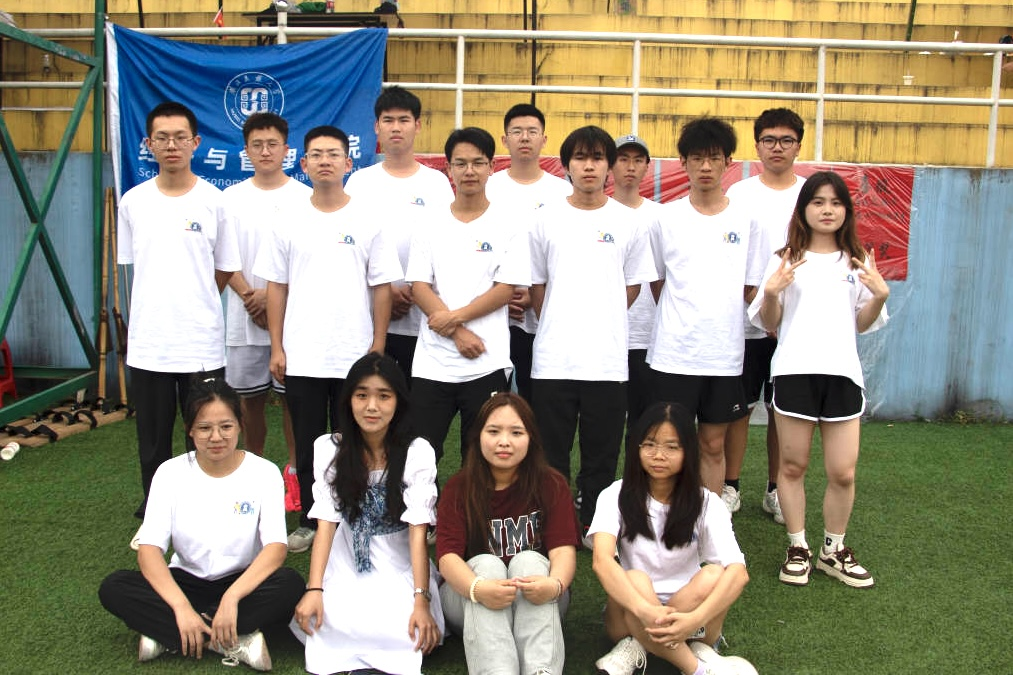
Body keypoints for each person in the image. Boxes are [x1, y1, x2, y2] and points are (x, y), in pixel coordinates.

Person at [255, 125, 402, 554]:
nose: (325, 161)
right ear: (303, 163)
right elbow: (276, 287)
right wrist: (277, 346)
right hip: (302, 354)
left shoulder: (369, 218)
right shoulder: (286, 219)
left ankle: (354, 515)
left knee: (354, 440)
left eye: (333, 154)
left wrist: (378, 345)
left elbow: (382, 287)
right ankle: (310, 519)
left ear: (347, 163)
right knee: (306, 443)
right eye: (316, 154)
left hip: (354, 354)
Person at [98, 377, 304, 671]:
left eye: (226, 426)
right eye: (205, 428)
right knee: (114, 587)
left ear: (240, 425)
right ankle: (228, 639)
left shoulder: (264, 472)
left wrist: (232, 597)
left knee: (290, 585)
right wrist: (181, 607)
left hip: (243, 582)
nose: (216, 437)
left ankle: (169, 636)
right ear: (190, 429)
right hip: (185, 582)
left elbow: (275, 548)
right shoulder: (170, 473)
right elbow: (149, 551)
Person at [748, 171, 889, 588]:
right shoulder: (786, 258)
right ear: (804, 209)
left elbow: (863, 323)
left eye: (836, 202)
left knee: (843, 471)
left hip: (842, 375)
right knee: (793, 466)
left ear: (846, 210)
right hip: (794, 371)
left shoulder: (857, 259)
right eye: (818, 202)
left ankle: (833, 550)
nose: (827, 210)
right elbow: (770, 322)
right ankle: (798, 547)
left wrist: (879, 296)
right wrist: (771, 292)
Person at [117, 101, 240, 546]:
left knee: (206, 433)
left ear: (195, 142)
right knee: (152, 440)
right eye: (162, 138)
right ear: (149, 144)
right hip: (150, 344)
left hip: (200, 344)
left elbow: (225, 267)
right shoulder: (134, 202)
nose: (172, 145)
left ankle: (205, 513)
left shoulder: (214, 201)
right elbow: (131, 265)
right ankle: (156, 518)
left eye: (180, 137)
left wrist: (197, 299)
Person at [529, 125, 656, 531]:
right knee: (551, 452)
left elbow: (633, 284)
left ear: (609, 166)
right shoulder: (544, 219)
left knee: (602, 452)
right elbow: (536, 284)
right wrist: (559, 318)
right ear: (567, 165)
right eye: (580, 158)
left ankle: (593, 525)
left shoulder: (629, 221)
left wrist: (603, 316)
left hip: (607, 360)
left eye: (598, 158)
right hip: (554, 359)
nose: (589, 166)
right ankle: (555, 523)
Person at [292, 352, 443, 674]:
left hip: (398, 560)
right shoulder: (330, 448)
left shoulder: (416, 452)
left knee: (402, 625)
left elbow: (418, 532)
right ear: (349, 400)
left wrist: (421, 599)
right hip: (346, 558)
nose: (372, 406)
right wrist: (314, 588)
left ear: (398, 402)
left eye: (383, 396)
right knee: (330, 618)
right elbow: (326, 525)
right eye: (362, 395)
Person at [589, 402, 753, 675]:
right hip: (631, 613)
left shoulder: (707, 502)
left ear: (688, 451)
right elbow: (601, 561)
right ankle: (697, 667)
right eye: (650, 444)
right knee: (635, 578)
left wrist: (694, 619)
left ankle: (641, 644)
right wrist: (646, 611)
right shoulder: (615, 494)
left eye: (671, 447)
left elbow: (738, 573)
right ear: (637, 448)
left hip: (692, 617)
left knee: (714, 574)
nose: (658, 455)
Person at [648, 116, 763, 496]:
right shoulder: (665, 218)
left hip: (723, 355)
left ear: (728, 161)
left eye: (714, 158)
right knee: (668, 442)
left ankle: (709, 520)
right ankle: (666, 517)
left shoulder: (746, 219)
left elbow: (750, 286)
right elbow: (657, 281)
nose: (706, 167)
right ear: (683, 162)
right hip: (673, 354)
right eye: (697, 158)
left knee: (713, 444)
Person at [406, 127, 530, 462]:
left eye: (478, 163)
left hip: (486, 361)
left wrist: (454, 319)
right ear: (448, 168)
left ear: (492, 167)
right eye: (460, 163)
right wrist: (458, 332)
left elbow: (506, 289)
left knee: (481, 457)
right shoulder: (429, 222)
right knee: (419, 456)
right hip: (433, 362)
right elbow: (419, 286)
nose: (469, 171)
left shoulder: (510, 223)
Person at [436, 392, 581, 675]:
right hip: (468, 600)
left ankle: (542, 670)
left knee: (529, 561)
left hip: (538, 600)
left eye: (516, 432)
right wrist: (479, 589)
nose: (504, 441)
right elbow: (447, 558)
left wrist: (554, 585)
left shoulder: (551, 484)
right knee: (486, 565)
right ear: (478, 436)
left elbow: (563, 551)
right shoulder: (459, 487)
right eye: (493, 431)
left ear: (531, 438)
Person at [721, 108, 806, 521]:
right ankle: (730, 486)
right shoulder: (739, 195)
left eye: (786, 140)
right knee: (738, 409)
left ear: (798, 146)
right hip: (744, 323)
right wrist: (761, 310)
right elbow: (730, 257)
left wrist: (782, 317)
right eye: (769, 140)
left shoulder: (809, 194)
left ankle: (775, 489)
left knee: (782, 411)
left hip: (794, 327)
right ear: (757, 146)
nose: (777, 147)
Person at [223, 112, 308, 511]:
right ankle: (252, 474)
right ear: (246, 151)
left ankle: (294, 474)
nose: (265, 151)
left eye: (273, 144)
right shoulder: (230, 199)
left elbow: (306, 262)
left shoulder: (303, 198)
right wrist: (249, 295)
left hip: (291, 320)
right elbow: (222, 256)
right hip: (243, 317)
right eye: (257, 145)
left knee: (293, 401)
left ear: (287, 150)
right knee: (248, 401)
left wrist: (273, 298)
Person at [344, 85, 455, 384]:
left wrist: (417, 291)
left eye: (404, 120)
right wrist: (387, 290)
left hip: (422, 316)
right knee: (371, 397)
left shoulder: (436, 183)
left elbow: (446, 246)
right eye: (388, 120)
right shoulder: (359, 183)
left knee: (415, 400)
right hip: (371, 315)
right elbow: (350, 246)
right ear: (376, 126)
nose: (396, 127)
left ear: (417, 126)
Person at [486, 103, 572, 402]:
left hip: (541, 314)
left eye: (532, 131)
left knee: (537, 402)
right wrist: (503, 294)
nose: (525, 137)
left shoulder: (562, 192)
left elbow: (564, 255)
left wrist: (533, 293)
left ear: (544, 139)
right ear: (504, 139)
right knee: (492, 402)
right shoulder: (489, 187)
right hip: (493, 311)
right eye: (517, 131)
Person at [610, 133, 665, 437]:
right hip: (608, 334)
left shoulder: (661, 216)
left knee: (644, 423)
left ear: (647, 166)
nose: (630, 166)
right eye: (622, 159)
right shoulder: (598, 212)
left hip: (647, 334)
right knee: (604, 420)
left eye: (637, 160)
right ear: (610, 165)